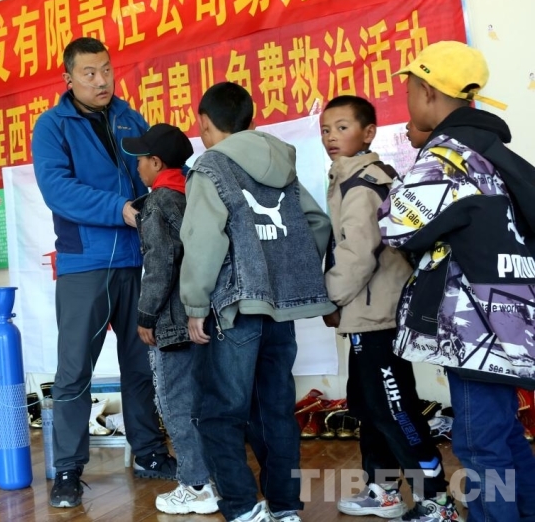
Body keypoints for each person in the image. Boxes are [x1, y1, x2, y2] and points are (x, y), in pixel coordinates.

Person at [380, 40, 535, 522]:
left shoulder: (448, 156)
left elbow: (396, 226)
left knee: (480, 446)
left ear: (428, 91)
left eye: (410, 88)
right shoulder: (494, 151)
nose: (408, 98)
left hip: (475, 328)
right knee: (504, 437)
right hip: (511, 318)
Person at [180, 82, 334, 522]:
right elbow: (317, 223)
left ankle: (243, 508)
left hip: (234, 310)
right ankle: (284, 508)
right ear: (249, 119)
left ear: (204, 123)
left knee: (219, 413)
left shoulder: (210, 166)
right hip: (280, 313)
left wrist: (195, 304)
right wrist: (286, 272)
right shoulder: (283, 165)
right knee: (275, 412)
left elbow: (203, 239)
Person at [32, 37, 174, 508]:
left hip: (136, 262)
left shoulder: (130, 119)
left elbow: (155, 172)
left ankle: (149, 454)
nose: (101, 80)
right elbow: (58, 190)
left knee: (140, 365)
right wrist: (120, 209)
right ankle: (68, 470)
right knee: (74, 372)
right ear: (69, 78)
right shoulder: (52, 126)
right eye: (89, 73)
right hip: (85, 265)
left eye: (107, 70)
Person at [319, 96, 453, 520]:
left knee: (394, 408)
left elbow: (358, 253)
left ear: (369, 133)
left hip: (377, 315)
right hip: (366, 313)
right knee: (369, 406)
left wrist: (330, 297)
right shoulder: (350, 177)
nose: (331, 137)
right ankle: (384, 488)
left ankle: (437, 499)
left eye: (342, 127)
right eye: (325, 130)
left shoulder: (363, 184)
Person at [122, 123, 220, 515]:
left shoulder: (159, 202)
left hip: (174, 322)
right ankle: (213, 479)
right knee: (204, 402)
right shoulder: (194, 193)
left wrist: (145, 316)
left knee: (176, 404)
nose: (138, 167)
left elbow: (159, 266)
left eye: (141, 160)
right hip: (203, 316)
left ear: (156, 162)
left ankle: (195, 486)